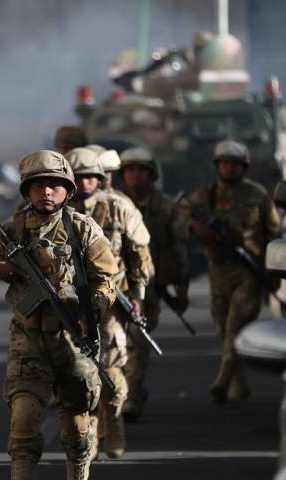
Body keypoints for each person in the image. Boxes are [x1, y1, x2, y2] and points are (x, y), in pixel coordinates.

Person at [0, 150, 117, 480]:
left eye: (54, 185)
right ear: (27, 191)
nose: (46, 192)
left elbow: (106, 278)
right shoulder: (10, 232)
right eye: (38, 186)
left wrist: (92, 310)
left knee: (78, 425)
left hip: (73, 339)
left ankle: (78, 472)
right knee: (23, 418)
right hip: (28, 340)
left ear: (67, 190)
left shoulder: (82, 229)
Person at [65, 147, 153, 459]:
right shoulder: (51, 211)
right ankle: (86, 436)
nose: (87, 183)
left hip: (111, 300)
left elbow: (139, 255)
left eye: (92, 177)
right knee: (77, 374)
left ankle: (113, 420)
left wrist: (138, 297)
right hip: (67, 305)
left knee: (113, 370)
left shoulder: (118, 206)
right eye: (80, 177)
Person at [181, 139, 280, 403]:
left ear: (244, 167)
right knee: (223, 329)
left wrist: (273, 271)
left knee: (236, 324)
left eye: (235, 164)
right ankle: (240, 383)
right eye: (225, 163)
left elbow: (274, 232)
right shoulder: (206, 194)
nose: (230, 169)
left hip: (248, 269)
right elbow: (181, 216)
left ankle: (223, 380)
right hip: (218, 270)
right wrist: (194, 228)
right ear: (218, 166)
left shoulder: (257, 195)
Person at [118, 146, 190, 421]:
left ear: (152, 175)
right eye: (131, 170)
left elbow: (179, 248)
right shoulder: (111, 204)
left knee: (138, 341)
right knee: (115, 344)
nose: (136, 176)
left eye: (142, 171)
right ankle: (123, 391)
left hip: (148, 288)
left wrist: (181, 289)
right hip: (112, 287)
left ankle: (132, 395)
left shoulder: (166, 207)